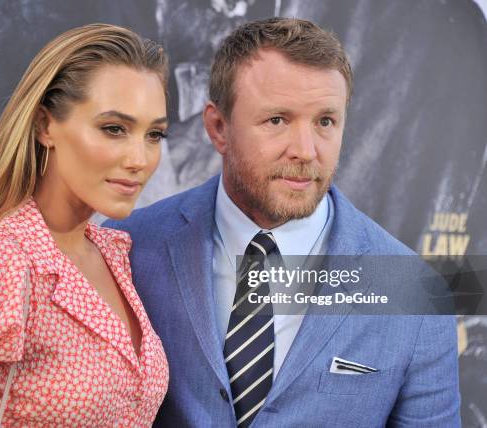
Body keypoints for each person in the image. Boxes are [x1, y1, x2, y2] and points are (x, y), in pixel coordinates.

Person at [105, 17, 460, 427]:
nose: (306, 151)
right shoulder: (127, 249)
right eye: (277, 120)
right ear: (218, 128)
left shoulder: (416, 291)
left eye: (325, 121)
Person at [0, 23, 169, 427]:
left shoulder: (115, 256)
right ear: (45, 126)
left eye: (155, 134)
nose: (139, 158)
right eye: (114, 129)